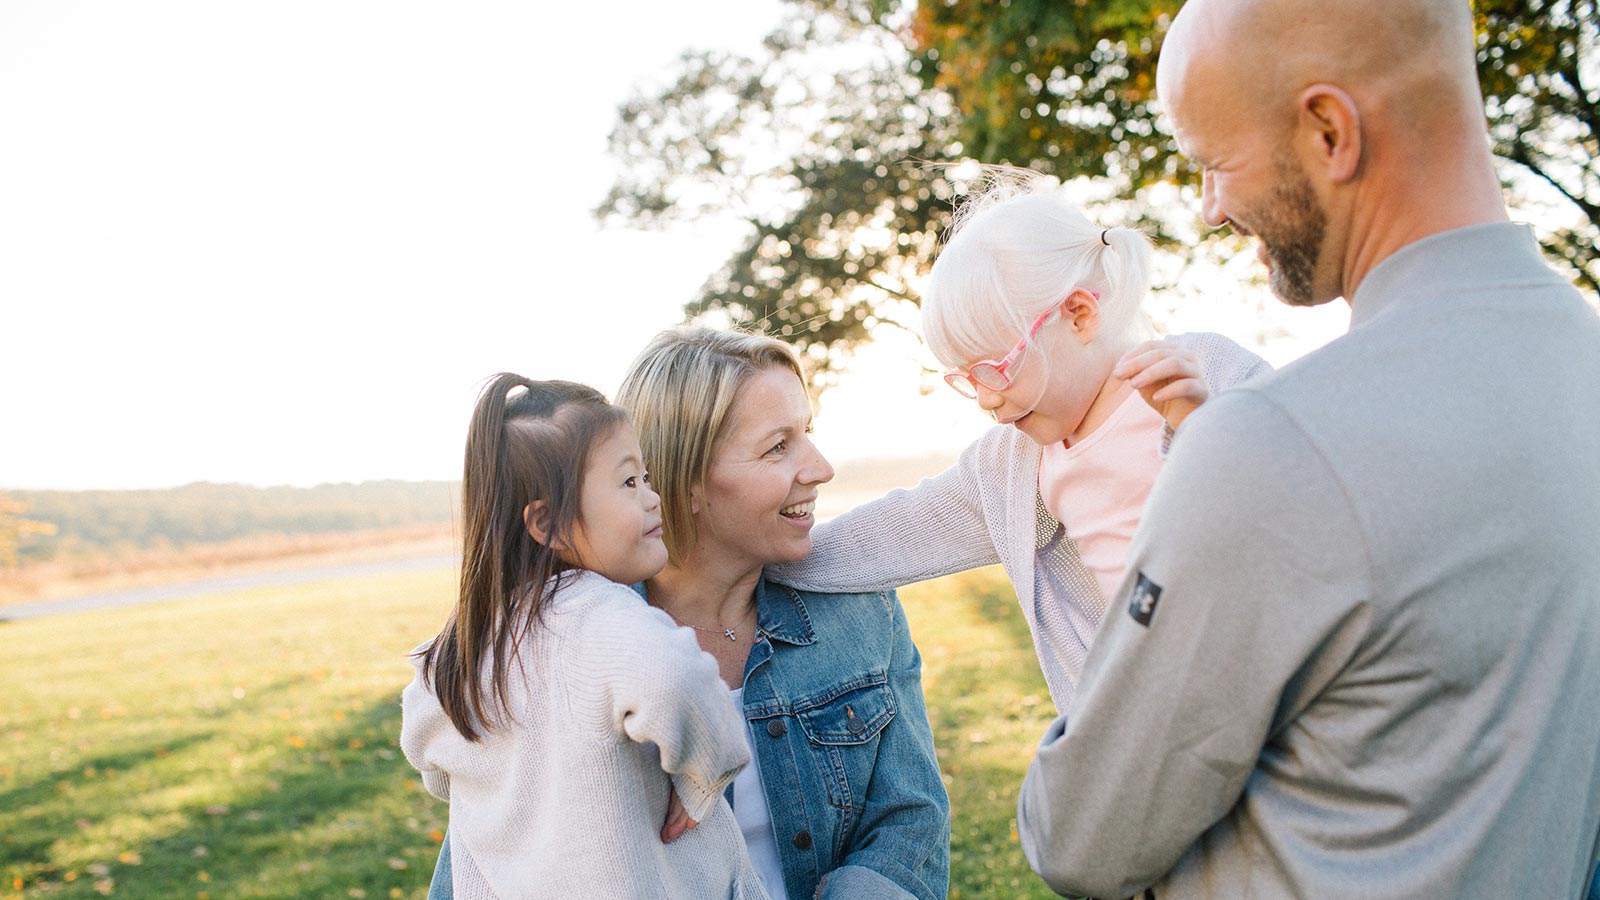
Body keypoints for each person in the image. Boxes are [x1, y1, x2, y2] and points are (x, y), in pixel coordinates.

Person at [1015, 0, 1600, 897]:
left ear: (1330, 131)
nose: (1211, 210)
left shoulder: (1273, 442)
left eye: (1215, 162)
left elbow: (1079, 836)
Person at [425, 329, 950, 900]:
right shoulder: (557, 645)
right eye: (778, 446)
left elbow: (910, 818)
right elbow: (485, 854)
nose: (820, 468)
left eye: (808, 434)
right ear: (685, 477)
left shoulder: (861, 611)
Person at [771, 175, 1270, 712]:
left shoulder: (1207, 372)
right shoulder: (1016, 463)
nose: (987, 400)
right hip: (1153, 727)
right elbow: (901, 530)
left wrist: (1197, 431)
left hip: (1270, 685)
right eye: (968, 379)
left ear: (1079, 315)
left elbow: (1311, 500)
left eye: (995, 369)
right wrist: (764, 555)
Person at [398, 376, 766, 899]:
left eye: (646, 476)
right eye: (628, 483)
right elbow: (676, 678)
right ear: (547, 524)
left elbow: (427, 754)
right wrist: (705, 772)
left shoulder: (458, 648)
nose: (653, 498)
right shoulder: (601, 617)